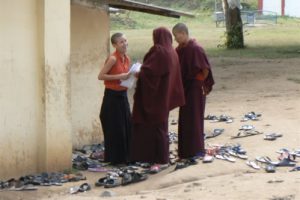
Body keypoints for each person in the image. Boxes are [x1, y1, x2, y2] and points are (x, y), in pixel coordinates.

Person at [130, 27, 185, 172]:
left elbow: (151, 72)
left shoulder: (159, 51)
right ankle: (157, 158)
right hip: (164, 96)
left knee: (157, 129)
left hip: (156, 98)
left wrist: (139, 72)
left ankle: (161, 160)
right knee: (161, 127)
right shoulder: (172, 51)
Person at [172, 23, 215, 161]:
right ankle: (185, 151)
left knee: (195, 118)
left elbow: (205, 69)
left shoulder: (196, 48)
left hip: (195, 88)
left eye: (176, 35)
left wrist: (200, 83)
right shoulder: (179, 49)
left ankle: (196, 150)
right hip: (185, 88)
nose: (175, 39)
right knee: (184, 118)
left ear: (183, 33)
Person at [98, 32, 131, 165]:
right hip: (112, 97)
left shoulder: (127, 58)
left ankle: (126, 157)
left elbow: (126, 75)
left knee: (127, 126)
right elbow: (100, 76)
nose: (124, 44)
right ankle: (115, 159)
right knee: (115, 128)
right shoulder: (112, 59)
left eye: (125, 41)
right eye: (121, 42)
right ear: (114, 45)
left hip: (123, 95)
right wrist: (119, 76)